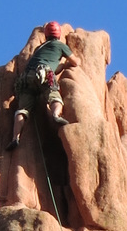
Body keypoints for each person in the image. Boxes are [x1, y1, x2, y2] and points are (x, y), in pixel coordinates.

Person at [6, 21, 80, 151]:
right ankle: (56, 115)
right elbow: (75, 62)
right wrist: (75, 61)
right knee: (55, 97)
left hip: (26, 79)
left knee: (22, 109)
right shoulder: (60, 45)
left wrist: (61, 66)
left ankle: (15, 138)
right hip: (44, 74)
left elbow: (53, 66)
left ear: (46, 35)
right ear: (58, 34)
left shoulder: (38, 48)